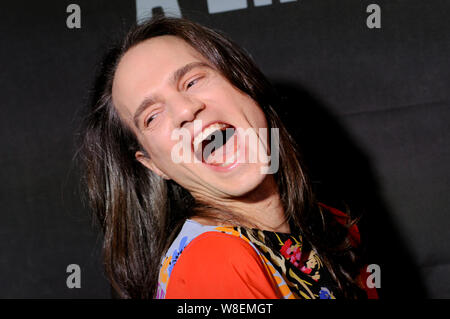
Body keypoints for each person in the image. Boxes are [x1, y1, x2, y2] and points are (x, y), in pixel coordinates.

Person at [79, 16, 377, 299]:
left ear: (243, 83)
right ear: (153, 164)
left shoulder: (331, 224)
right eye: (152, 116)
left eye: (193, 81)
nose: (185, 110)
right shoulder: (213, 261)